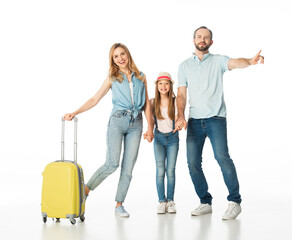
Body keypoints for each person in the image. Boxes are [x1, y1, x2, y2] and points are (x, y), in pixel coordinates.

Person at [175, 26, 264, 220]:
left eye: (206, 37)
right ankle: (205, 201)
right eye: (199, 36)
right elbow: (181, 94)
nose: (202, 39)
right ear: (193, 40)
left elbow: (235, 62)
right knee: (192, 163)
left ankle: (235, 201)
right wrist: (180, 115)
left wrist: (249, 61)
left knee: (222, 158)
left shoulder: (218, 61)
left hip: (216, 119)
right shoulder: (184, 66)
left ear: (211, 42)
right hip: (194, 121)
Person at [63, 43, 153, 217]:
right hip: (117, 121)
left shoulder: (141, 76)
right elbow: (94, 99)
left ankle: (119, 204)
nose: (120, 58)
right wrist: (75, 112)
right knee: (112, 163)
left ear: (128, 54)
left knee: (128, 167)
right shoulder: (112, 78)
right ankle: (86, 190)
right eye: (116, 56)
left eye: (122, 54)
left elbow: (147, 103)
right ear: (113, 60)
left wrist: (150, 127)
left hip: (136, 124)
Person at [144, 72, 179, 214]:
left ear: (170, 86)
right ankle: (161, 201)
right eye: (160, 83)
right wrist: (149, 132)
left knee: (170, 170)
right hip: (158, 139)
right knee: (160, 170)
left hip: (173, 138)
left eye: (166, 83)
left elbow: (177, 117)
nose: (163, 86)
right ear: (157, 86)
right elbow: (151, 121)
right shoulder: (153, 102)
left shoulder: (175, 101)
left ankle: (170, 201)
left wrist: (180, 123)